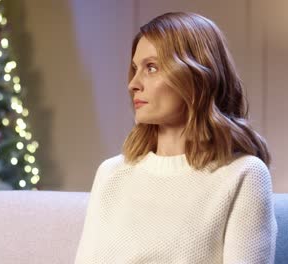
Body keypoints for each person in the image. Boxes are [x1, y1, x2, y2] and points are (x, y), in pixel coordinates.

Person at [75, 12, 277, 264]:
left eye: (151, 67)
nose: (133, 84)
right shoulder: (111, 174)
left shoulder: (244, 175)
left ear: (196, 78)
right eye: (135, 69)